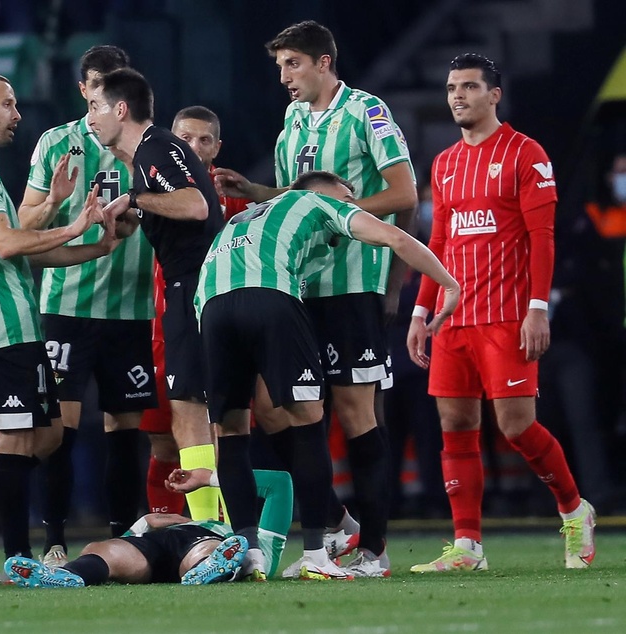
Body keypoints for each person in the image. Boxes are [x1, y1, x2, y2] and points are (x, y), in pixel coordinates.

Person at [215, 20, 418, 577]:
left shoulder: (366, 112)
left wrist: (394, 281)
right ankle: (335, 519)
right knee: (270, 408)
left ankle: (374, 550)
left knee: (354, 413)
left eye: (293, 64)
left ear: (324, 61)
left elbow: (405, 194)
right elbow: (294, 200)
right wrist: (254, 192)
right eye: (280, 66)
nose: (284, 77)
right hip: (298, 288)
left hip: (352, 285)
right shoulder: (293, 120)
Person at [191, 170, 458, 581]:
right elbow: (396, 238)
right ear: (322, 192)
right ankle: (317, 552)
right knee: (309, 421)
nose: (351, 200)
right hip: (270, 298)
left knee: (230, 431)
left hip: (210, 307)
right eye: (347, 193)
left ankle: (246, 554)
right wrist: (449, 284)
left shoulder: (243, 217)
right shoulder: (317, 202)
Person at [407, 53, 596, 572]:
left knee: (516, 427)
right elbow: (438, 243)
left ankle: (574, 508)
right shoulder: (444, 164)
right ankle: (467, 546)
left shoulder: (525, 153)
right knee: (455, 424)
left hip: (507, 315)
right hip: (453, 318)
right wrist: (421, 313)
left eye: (469, 87)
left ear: (495, 94)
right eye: (451, 88)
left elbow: (542, 238)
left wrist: (538, 309)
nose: (458, 97)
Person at [0, 72, 115, 577]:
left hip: (18, 324)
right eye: (7, 104)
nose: (17, 114)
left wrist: (89, 241)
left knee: (51, 434)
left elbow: (20, 251)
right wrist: (76, 224)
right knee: (17, 441)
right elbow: (7, 244)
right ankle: (17, 558)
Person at [13, 46, 156, 566]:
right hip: (67, 307)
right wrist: (53, 203)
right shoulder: (57, 143)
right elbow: (24, 224)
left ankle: (123, 537)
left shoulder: (148, 146)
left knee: (125, 433)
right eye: (95, 86)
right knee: (57, 432)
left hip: (132, 308)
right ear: (82, 90)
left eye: (111, 87)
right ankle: (53, 540)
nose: (101, 97)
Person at [90, 68, 226, 525]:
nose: (91, 119)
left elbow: (194, 206)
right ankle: (230, 527)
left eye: (96, 107)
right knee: (209, 413)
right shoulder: (149, 156)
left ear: (121, 110)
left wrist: (133, 199)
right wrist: (122, 218)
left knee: (191, 409)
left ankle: (212, 527)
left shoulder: (156, 150)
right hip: (198, 284)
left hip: (195, 285)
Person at [141, 105, 253, 517]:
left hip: (220, 323)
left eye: (204, 139)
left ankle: (217, 525)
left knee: (222, 427)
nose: (194, 146)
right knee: (163, 437)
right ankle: (168, 525)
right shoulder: (156, 190)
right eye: (185, 138)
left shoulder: (236, 197)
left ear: (217, 147)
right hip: (166, 324)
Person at [3, 469, 292, 587]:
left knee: (214, 549)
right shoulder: (200, 522)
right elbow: (144, 527)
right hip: (158, 543)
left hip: (203, 544)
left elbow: (279, 483)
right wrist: (144, 524)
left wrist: (206, 477)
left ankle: (210, 568)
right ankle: (65, 576)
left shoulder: (259, 546)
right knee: (104, 550)